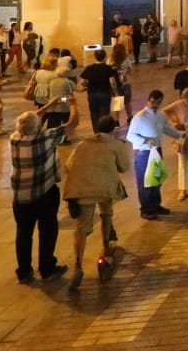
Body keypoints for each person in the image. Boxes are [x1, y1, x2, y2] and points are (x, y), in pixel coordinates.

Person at [9, 99, 78, 284]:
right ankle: (47, 267)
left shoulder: (15, 139)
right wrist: (72, 105)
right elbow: (72, 124)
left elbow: (27, 123)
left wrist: (48, 106)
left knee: (23, 233)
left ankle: (24, 272)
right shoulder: (46, 138)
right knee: (47, 230)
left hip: (20, 195)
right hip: (44, 193)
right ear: (37, 126)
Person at [63, 115, 130, 291]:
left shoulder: (82, 145)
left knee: (81, 228)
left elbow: (68, 166)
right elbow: (124, 167)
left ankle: (78, 265)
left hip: (81, 189)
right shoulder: (115, 145)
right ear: (112, 130)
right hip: (105, 188)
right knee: (106, 213)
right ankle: (106, 247)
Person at [126, 89, 182, 219]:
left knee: (156, 179)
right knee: (145, 181)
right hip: (143, 153)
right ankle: (146, 209)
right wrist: (145, 140)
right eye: (152, 102)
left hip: (156, 150)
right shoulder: (140, 117)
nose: (154, 105)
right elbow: (130, 135)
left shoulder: (161, 115)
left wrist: (181, 135)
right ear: (148, 100)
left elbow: (166, 128)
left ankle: (155, 205)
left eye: (157, 103)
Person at [78, 48, 120, 128]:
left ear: (95, 57)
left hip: (92, 94)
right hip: (105, 93)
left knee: (94, 113)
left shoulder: (89, 68)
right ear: (104, 57)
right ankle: (103, 131)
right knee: (104, 114)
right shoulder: (108, 68)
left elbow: (82, 82)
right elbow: (112, 82)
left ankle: (96, 131)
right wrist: (116, 92)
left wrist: (88, 86)